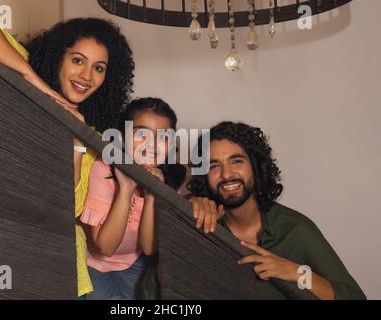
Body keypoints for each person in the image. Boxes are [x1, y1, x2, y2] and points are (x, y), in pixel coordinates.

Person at [0, 3, 134, 299]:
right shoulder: (17, 70)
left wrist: (76, 141)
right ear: (58, 58)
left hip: (4, 238)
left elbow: (69, 207)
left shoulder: (91, 137)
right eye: (78, 60)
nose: (86, 75)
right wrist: (37, 86)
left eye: (98, 68)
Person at [188, 121, 366, 300]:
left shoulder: (294, 229)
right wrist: (189, 204)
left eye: (237, 161)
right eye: (214, 166)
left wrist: (298, 273)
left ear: (255, 167)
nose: (226, 174)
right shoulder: (199, 223)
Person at [80, 97, 190, 299]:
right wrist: (126, 189)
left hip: (134, 261)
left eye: (163, 137)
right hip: (94, 262)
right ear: (121, 138)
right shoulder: (103, 168)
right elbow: (106, 248)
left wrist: (151, 194)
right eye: (141, 134)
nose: (152, 144)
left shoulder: (168, 179)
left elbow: (149, 248)